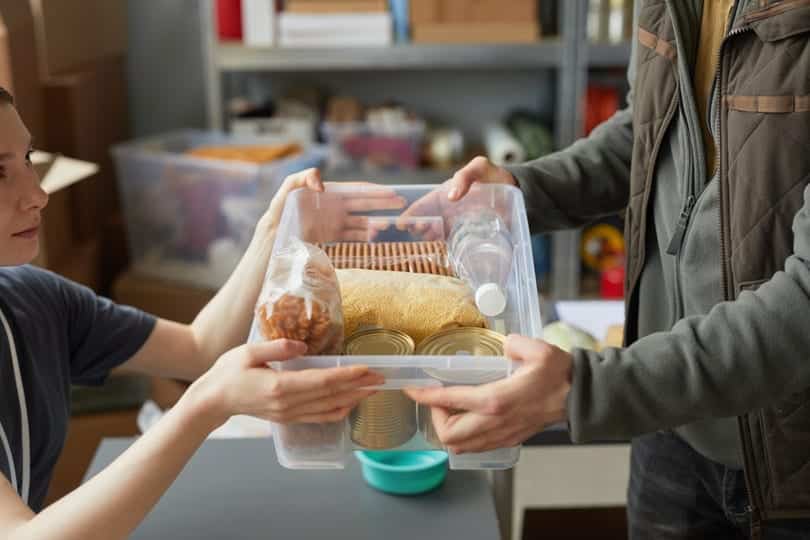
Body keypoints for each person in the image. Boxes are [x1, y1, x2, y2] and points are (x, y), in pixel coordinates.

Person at [404, 1, 810, 538]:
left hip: (790, 464)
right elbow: (651, 129)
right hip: (667, 420)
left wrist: (585, 390)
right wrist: (524, 192)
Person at [0, 85, 405, 539]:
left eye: (28, 160)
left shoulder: (33, 300)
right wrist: (204, 406)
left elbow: (199, 348)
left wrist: (273, 231)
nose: (37, 194)